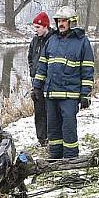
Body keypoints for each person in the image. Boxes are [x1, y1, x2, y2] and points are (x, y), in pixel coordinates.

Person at [32, 6, 94, 159]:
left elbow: (87, 70)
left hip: (70, 95)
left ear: (72, 22)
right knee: (52, 128)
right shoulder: (52, 40)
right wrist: (36, 87)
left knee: (69, 128)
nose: (61, 24)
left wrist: (85, 94)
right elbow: (42, 67)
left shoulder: (82, 42)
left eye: (64, 21)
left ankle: (71, 158)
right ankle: (55, 157)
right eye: (59, 21)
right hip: (51, 93)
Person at [27, 11, 54, 147]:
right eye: (34, 28)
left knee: (50, 111)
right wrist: (33, 70)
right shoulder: (35, 40)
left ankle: (51, 138)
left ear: (45, 26)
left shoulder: (53, 39)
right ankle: (41, 139)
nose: (35, 30)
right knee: (39, 112)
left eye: (37, 28)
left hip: (49, 82)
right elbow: (30, 57)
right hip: (36, 82)